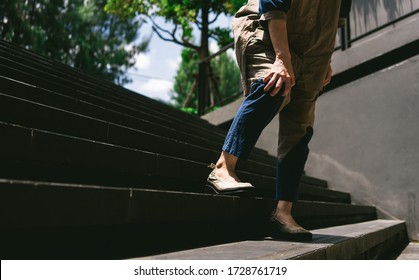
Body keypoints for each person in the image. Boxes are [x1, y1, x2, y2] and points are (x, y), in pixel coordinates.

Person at [206, 0, 351, 240]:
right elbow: (273, 5)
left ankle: (283, 213)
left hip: (313, 50)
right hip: (266, 28)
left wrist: (327, 59)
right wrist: (282, 58)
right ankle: (222, 168)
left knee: (300, 126)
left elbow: (335, 20)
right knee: (273, 85)